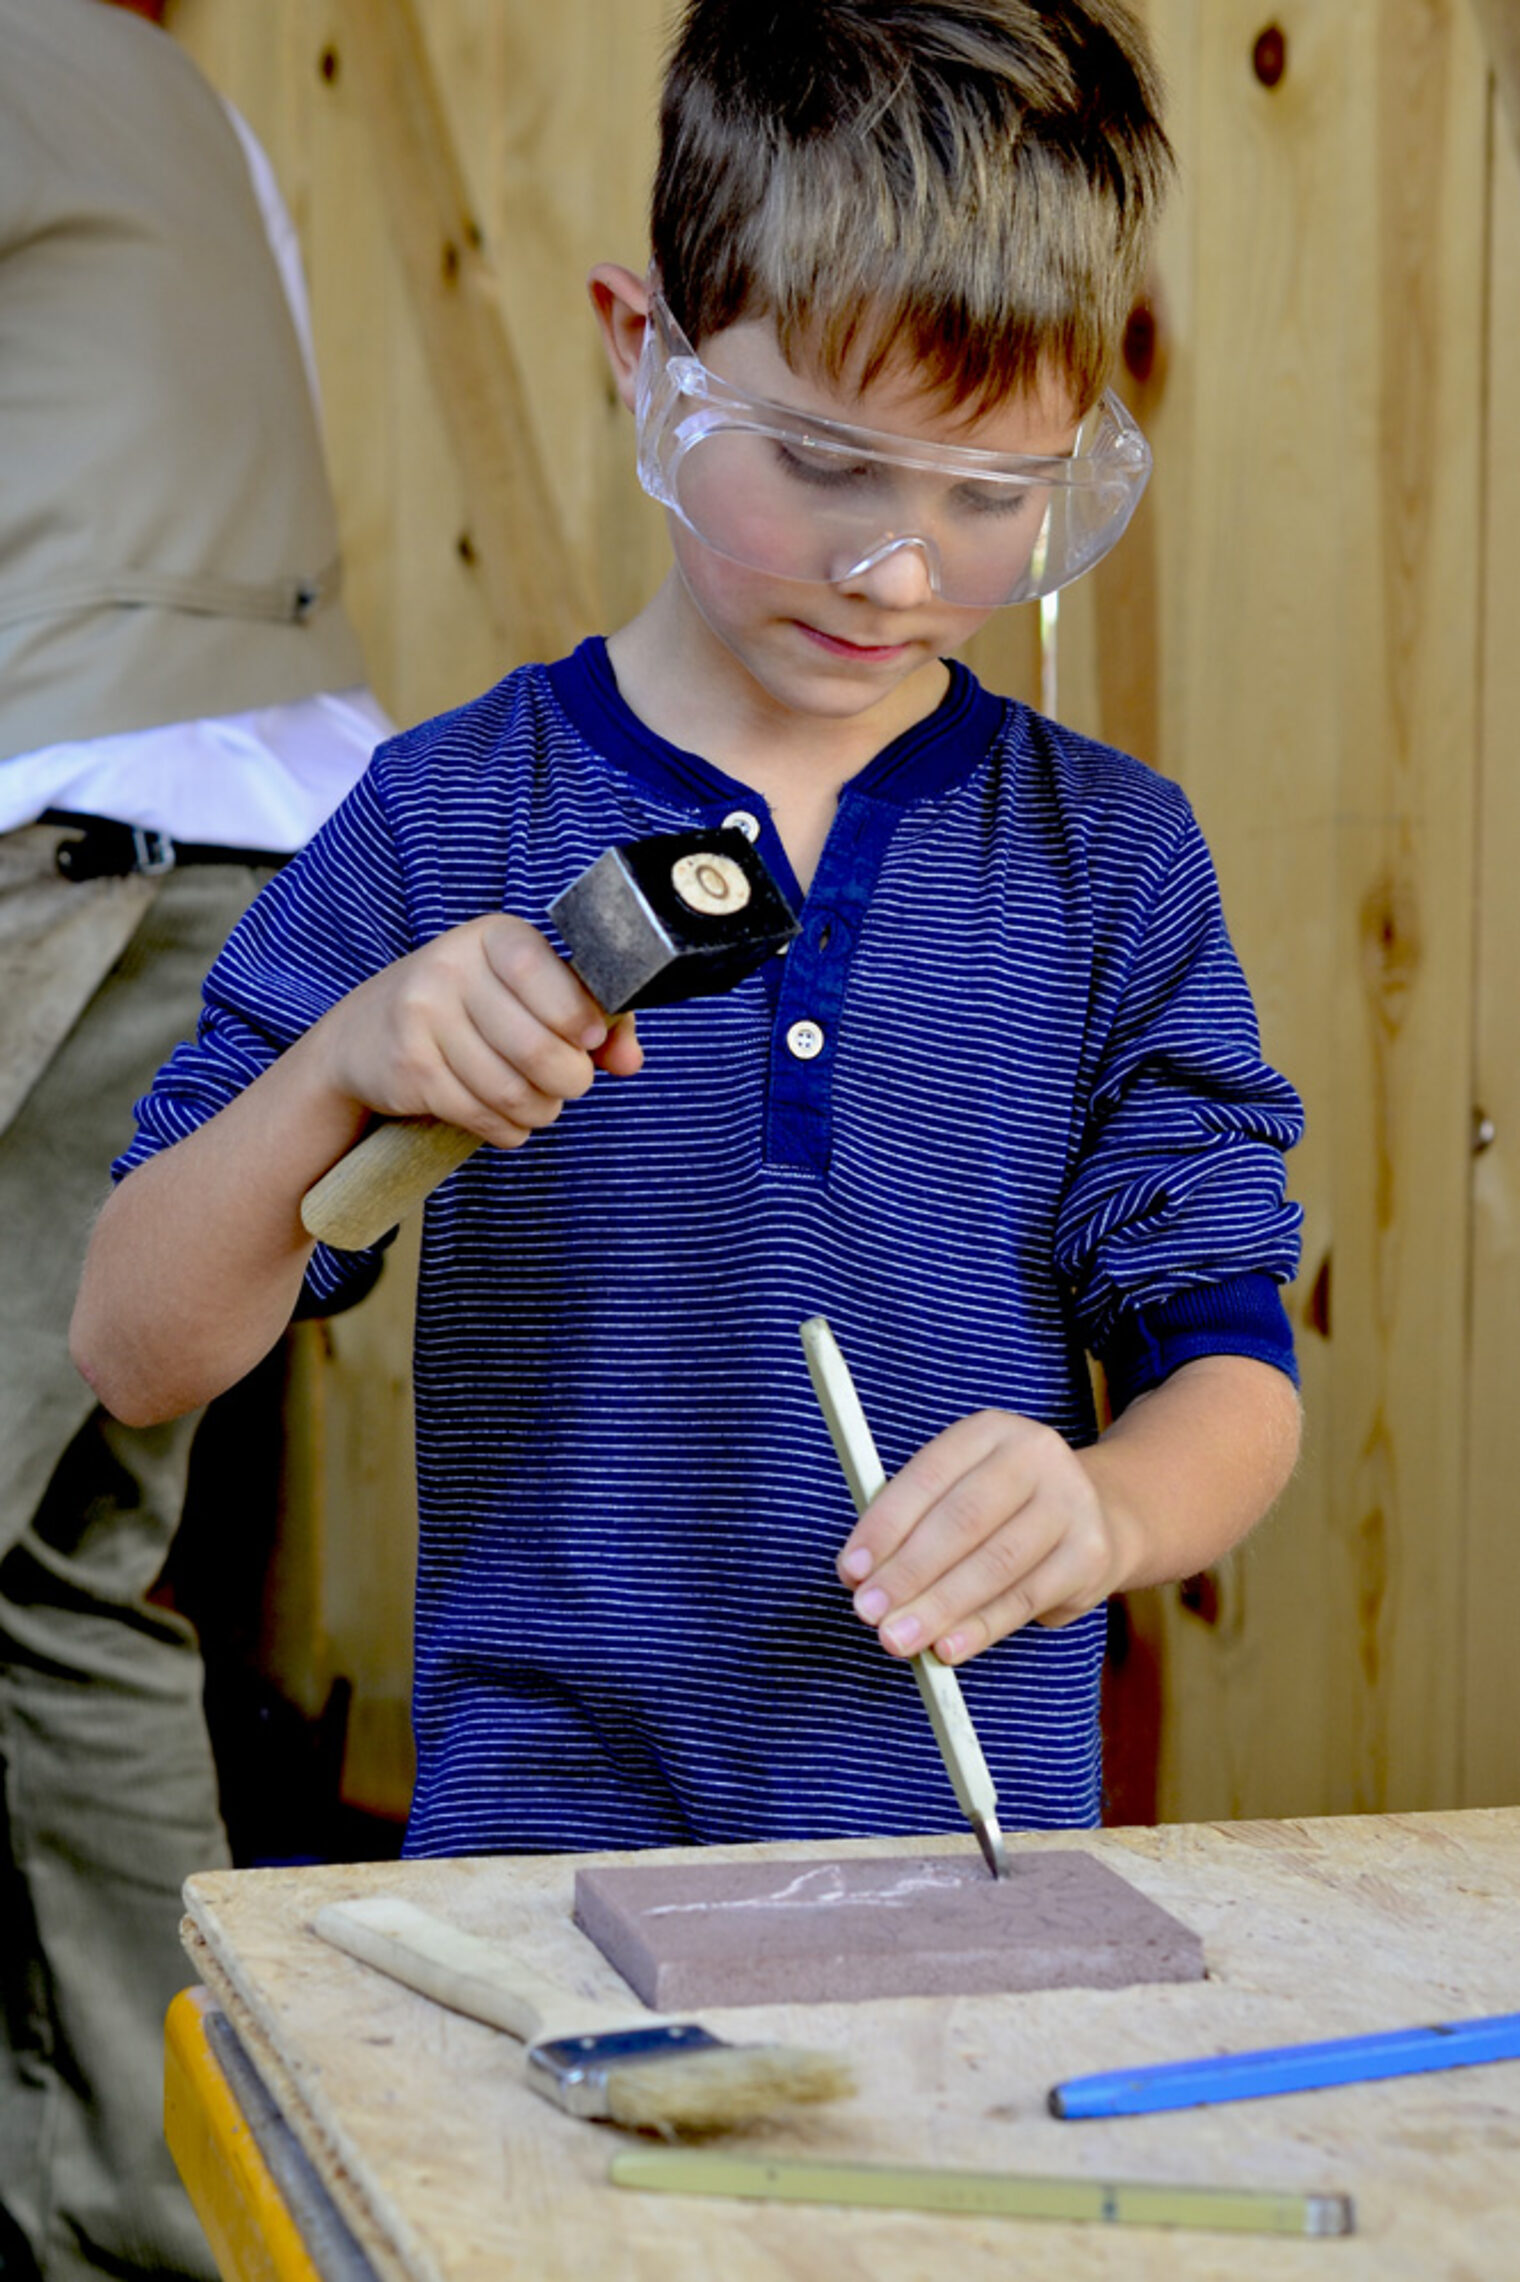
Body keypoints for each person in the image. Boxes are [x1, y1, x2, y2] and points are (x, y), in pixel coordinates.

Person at [73, 0, 1304, 1873]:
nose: (894, 571)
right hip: (536, 1889)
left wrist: (1112, 1511)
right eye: (816, 465)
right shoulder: (449, 814)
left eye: (987, 500)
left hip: (957, 1891)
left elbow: (1229, 1374)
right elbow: (131, 1342)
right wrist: (344, 1062)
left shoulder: (1110, 862)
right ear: (644, 351)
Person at [0, 2, 388, 2277]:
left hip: (78, 848)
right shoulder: (174, 95)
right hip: (264, 868)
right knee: (65, 1584)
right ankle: (151, 2216)